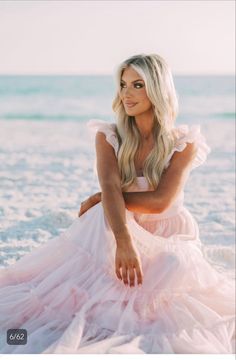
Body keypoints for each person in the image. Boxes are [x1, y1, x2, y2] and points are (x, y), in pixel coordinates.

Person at [0, 54, 235, 354]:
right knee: (81, 303)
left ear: (158, 89)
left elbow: (161, 201)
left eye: (137, 85)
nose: (126, 93)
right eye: (123, 84)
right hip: (116, 222)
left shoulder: (184, 142)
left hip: (166, 228)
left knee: (172, 277)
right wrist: (123, 238)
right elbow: (109, 184)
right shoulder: (109, 136)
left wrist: (104, 198)